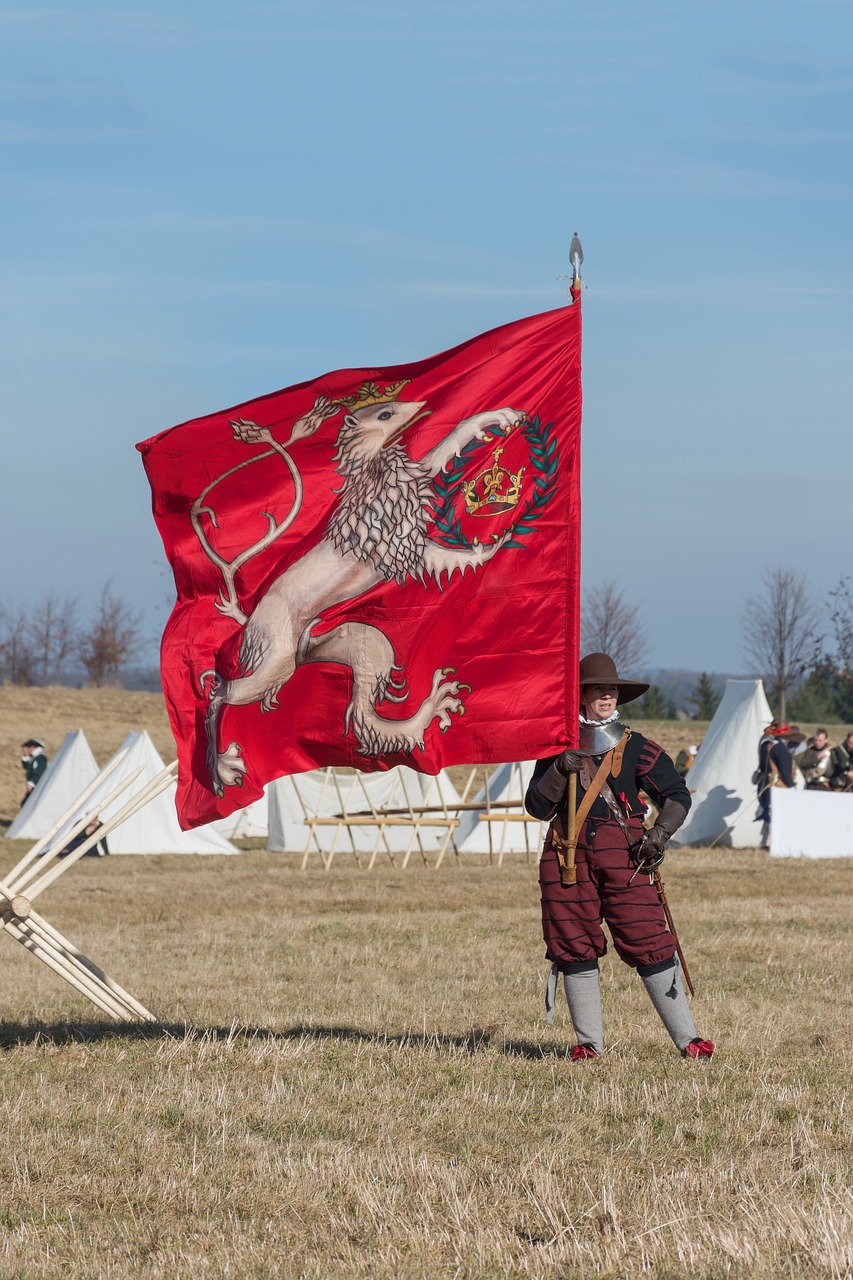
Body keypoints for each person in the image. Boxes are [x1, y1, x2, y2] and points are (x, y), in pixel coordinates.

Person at [525, 652, 714, 1062]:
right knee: (573, 942)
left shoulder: (636, 746)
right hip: (566, 855)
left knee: (649, 938)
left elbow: (677, 796)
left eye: (611, 690)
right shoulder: (556, 745)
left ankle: (689, 1041)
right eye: (597, 689)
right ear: (581, 696)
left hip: (624, 858)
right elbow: (537, 806)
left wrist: (659, 835)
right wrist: (559, 769)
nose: (607, 696)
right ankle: (588, 1045)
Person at [756, 722, 795, 847]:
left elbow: (762, 767)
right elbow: (785, 771)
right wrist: (791, 786)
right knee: (775, 815)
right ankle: (774, 843)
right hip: (778, 785)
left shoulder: (767, 746)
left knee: (769, 812)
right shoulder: (780, 749)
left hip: (767, 783)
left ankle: (765, 842)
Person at [20, 738, 48, 806]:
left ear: (34, 747)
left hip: (37, 786)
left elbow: (38, 772)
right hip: (35, 786)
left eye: (28, 747)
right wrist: (26, 756)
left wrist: (31, 784)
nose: (27, 749)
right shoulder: (35, 758)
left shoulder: (40, 759)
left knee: (27, 804)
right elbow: (26, 767)